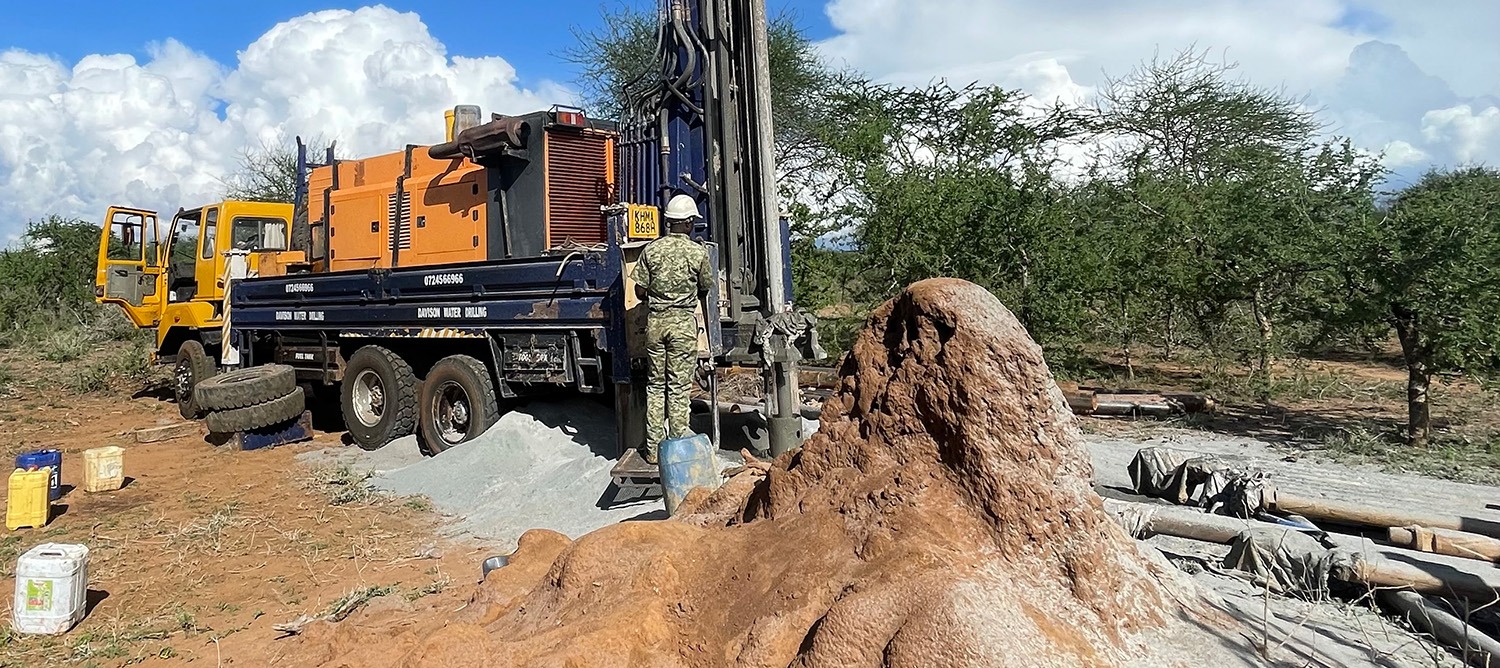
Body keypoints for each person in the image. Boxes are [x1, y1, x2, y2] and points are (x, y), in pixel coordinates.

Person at [631, 194, 713, 464]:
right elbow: (706, 286)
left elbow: (639, 290)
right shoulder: (698, 253)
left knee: (655, 386)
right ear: (688, 223)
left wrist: (657, 296)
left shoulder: (651, 251)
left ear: (668, 221)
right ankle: (676, 449)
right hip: (682, 326)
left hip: (655, 325)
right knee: (678, 388)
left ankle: (653, 451)